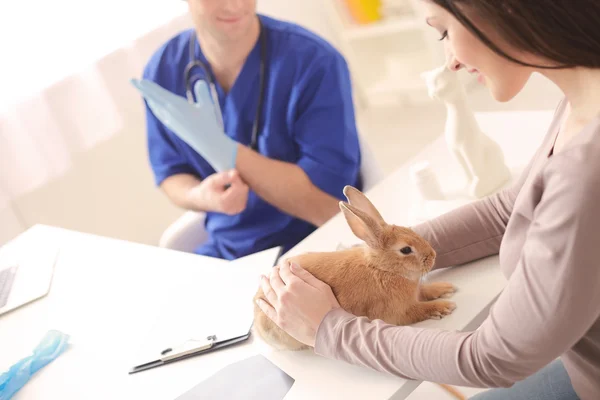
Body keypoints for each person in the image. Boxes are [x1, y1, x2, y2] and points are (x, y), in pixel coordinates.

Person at [256, 1, 600, 399]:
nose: (450, 61)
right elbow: (512, 208)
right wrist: (383, 254)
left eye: (444, 32)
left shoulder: (586, 169)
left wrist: (327, 328)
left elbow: (493, 357)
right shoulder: (581, 100)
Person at [134, 0, 361, 260]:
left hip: (316, 246)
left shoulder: (313, 62)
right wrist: (200, 196)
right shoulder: (163, 70)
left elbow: (328, 207)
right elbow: (170, 173)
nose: (234, 4)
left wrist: (225, 151)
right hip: (228, 253)